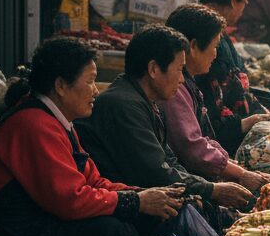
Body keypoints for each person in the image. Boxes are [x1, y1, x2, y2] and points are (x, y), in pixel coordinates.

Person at [0, 38, 184, 236]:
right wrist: (135, 201)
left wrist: (143, 195)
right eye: (91, 81)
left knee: (136, 217)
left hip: (32, 225)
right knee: (110, 232)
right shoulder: (33, 125)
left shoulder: (59, 122)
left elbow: (92, 180)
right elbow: (70, 199)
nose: (96, 90)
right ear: (61, 85)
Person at [77, 26, 253, 216]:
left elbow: (169, 161)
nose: (181, 79)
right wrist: (213, 190)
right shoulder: (124, 105)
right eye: (178, 70)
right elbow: (157, 174)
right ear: (153, 69)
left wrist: (209, 189)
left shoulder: (147, 100)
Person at [163, 5, 270, 196]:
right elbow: (192, 148)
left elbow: (205, 138)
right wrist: (241, 175)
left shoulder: (189, 82)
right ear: (194, 47)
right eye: (214, 47)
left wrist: (234, 166)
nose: (215, 54)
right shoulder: (175, 88)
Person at [196, 0, 269, 154]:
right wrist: (247, 122)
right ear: (234, 0)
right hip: (219, 131)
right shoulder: (206, 29)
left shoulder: (214, 26)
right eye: (244, 3)